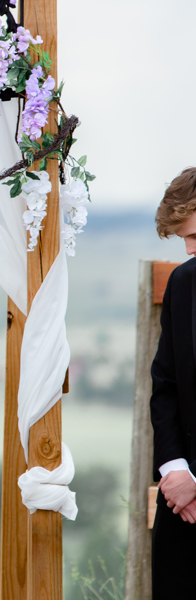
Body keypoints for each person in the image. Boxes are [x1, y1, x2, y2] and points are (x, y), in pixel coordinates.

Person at [150, 167, 196, 600]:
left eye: (195, 238)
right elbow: (164, 385)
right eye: (183, 240)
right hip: (183, 506)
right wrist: (176, 471)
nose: (189, 250)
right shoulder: (183, 285)